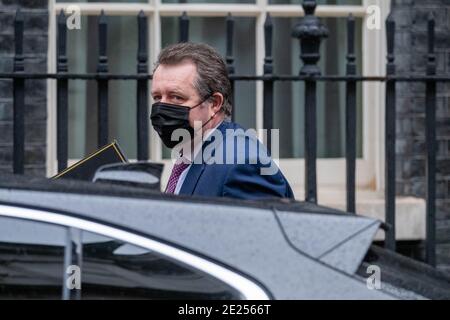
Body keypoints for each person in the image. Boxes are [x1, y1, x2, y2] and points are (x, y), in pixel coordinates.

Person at [150, 42, 294, 200]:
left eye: (177, 97)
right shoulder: (191, 154)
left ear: (214, 103)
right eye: (157, 97)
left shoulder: (242, 165)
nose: (162, 107)